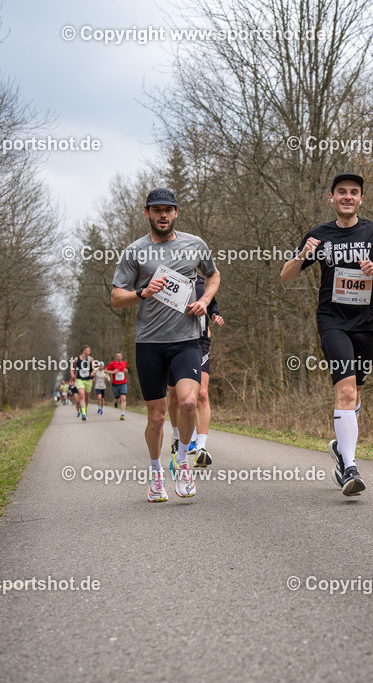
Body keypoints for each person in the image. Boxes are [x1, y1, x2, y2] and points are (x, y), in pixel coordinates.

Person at [281, 172, 373, 496]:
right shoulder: (319, 235)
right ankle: (350, 468)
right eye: (341, 192)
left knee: (357, 394)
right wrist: (302, 254)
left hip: (367, 323)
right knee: (346, 392)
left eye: (354, 192)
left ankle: (341, 448)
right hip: (332, 321)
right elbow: (286, 276)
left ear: (361, 199)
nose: (347, 197)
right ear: (332, 197)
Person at [111, 187, 219, 503]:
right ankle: (156, 474)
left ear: (175, 213)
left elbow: (213, 276)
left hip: (187, 340)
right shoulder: (134, 251)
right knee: (156, 418)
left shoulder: (194, 244)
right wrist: (142, 293)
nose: (162, 215)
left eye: (167, 210)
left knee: (188, 402)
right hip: (150, 343)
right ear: (147, 213)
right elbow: (116, 297)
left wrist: (205, 300)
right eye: (156, 210)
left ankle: (182, 460)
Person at [167, 275, 224, 468]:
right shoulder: (168, 278)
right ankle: (177, 437)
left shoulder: (203, 281)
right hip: (172, 342)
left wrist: (215, 314)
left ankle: (201, 448)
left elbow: (212, 302)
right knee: (175, 397)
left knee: (201, 394)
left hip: (199, 342)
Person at [70, 346, 96, 421]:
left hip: (88, 380)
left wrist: (93, 372)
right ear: (83, 351)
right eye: (88, 351)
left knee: (87, 397)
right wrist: (72, 374)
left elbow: (95, 368)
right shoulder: (76, 359)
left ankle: (85, 408)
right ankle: (83, 414)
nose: (90, 352)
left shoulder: (90, 359)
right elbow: (72, 367)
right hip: (79, 379)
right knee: (81, 395)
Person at [105, 352, 129, 420]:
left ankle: (122, 414)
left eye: (120, 356)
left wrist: (126, 370)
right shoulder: (112, 363)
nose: (119, 357)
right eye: (117, 356)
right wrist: (112, 372)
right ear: (116, 357)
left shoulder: (124, 363)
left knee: (123, 398)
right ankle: (116, 401)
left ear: (122, 357)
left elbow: (126, 370)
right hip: (115, 384)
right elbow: (105, 371)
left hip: (123, 383)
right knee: (118, 399)